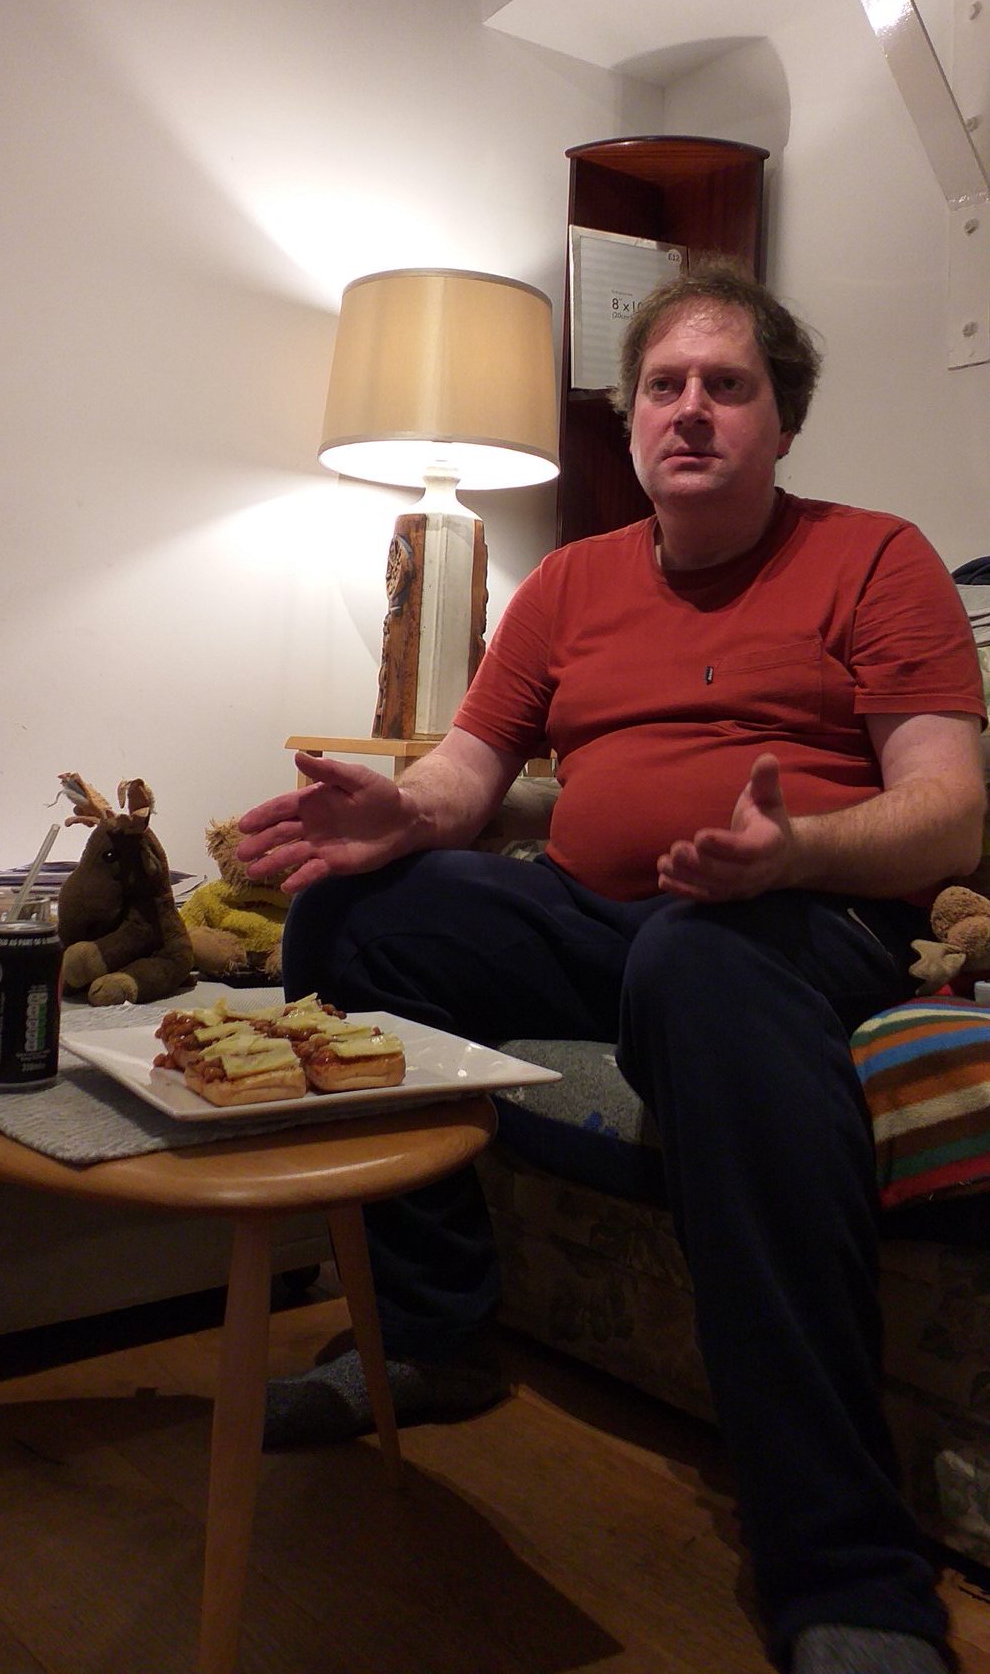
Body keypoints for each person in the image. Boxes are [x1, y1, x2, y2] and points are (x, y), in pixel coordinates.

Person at [238, 261, 987, 1674]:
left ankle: (845, 1565)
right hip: (598, 922)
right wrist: (402, 815)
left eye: (727, 385)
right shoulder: (571, 580)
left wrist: (796, 852)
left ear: (782, 420)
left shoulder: (876, 558)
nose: (690, 409)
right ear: (631, 418)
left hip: (802, 926)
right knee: (349, 918)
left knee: (698, 961)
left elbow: (950, 813)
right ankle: (430, 1335)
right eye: (663, 385)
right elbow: (470, 771)